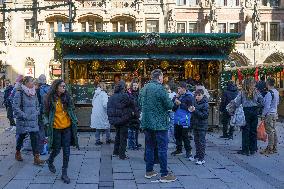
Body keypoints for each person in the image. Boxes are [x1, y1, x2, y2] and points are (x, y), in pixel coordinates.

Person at [139, 69, 176, 183]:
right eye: (162, 76)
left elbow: (139, 103)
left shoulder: (144, 88)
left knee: (149, 147)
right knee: (162, 149)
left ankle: (149, 171)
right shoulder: (161, 88)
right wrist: (174, 101)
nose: (162, 78)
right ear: (159, 77)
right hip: (160, 124)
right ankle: (164, 174)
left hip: (147, 122)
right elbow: (169, 105)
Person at [44, 79, 79, 184]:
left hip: (67, 128)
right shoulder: (49, 98)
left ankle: (64, 173)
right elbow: (44, 113)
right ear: (56, 87)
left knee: (67, 151)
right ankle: (50, 160)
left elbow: (72, 109)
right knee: (57, 149)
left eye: (65, 86)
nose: (64, 88)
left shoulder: (67, 97)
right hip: (55, 128)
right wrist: (47, 123)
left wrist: (74, 118)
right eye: (62, 86)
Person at [13, 76, 45, 165]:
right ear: (25, 83)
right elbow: (15, 107)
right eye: (31, 82)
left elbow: (37, 104)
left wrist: (37, 112)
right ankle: (18, 151)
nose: (33, 83)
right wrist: (24, 115)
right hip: (24, 120)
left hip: (33, 119)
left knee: (35, 138)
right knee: (21, 137)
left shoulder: (34, 92)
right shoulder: (19, 93)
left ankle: (36, 158)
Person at [234, 77, 263, 156]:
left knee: (245, 131)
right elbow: (262, 101)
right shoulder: (256, 92)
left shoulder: (242, 92)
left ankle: (245, 149)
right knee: (253, 131)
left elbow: (237, 103)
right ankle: (253, 149)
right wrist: (257, 106)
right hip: (254, 111)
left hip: (245, 111)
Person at [107, 80, 134, 160]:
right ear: (124, 87)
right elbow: (132, 103)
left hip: (115, 120)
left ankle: (115, 152)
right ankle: (122, 155)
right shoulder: (124, 96)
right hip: (123, 119)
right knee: (123, 137)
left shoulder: (112, 96)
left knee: (117, 135)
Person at [171, 82, 193, 158]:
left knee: (185, 136)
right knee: (177, 135)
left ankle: (188, 151)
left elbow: (190, 108)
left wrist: (180, 103)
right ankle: (179, 149)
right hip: (177, 119)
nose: (178, 90)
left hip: (185, 120)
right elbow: (173, 105)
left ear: (183, 89)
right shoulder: (178, 96)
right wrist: (175, 98)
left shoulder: (189, 96)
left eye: (179, 88)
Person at [189, 89, 209, 165]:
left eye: (199, 95)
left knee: (201, 142)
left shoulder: (205, 104)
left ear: (203, 95)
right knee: (196, 141)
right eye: (196, 95)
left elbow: (204, 116)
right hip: (195, 124)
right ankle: (197, 155)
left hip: (202, 125)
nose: (197, 97)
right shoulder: (195, 102)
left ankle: (201, 158)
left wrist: (194, 111)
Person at [260, 77, 279, 155]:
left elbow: (267, 106)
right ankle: (274, 147)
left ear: (268, 83)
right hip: (274, 113)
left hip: (269, 115)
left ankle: (270, 148)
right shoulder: (276, 92)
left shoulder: (269, 93)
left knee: (270, 131)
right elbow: (277, 103)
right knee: (274, 131)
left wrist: (263, 115)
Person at [36, 74, 50, 155]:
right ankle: (48, 147)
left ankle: (42, 149)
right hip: (48, 112)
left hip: (40, 113)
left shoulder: (37, 90)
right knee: (48, 129)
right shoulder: (49, 88)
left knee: (41, 130)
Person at [127, 79, 141, 150]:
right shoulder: (129, 93)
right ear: (132, 86)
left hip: (137, 113)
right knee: (131, 130)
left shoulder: (139, 93)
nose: (135, 86)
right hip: (131, 114)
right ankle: (131, 145)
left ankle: (136, 143)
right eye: (134, 85)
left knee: (136, 130)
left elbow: (140, 104)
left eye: (136, 85)